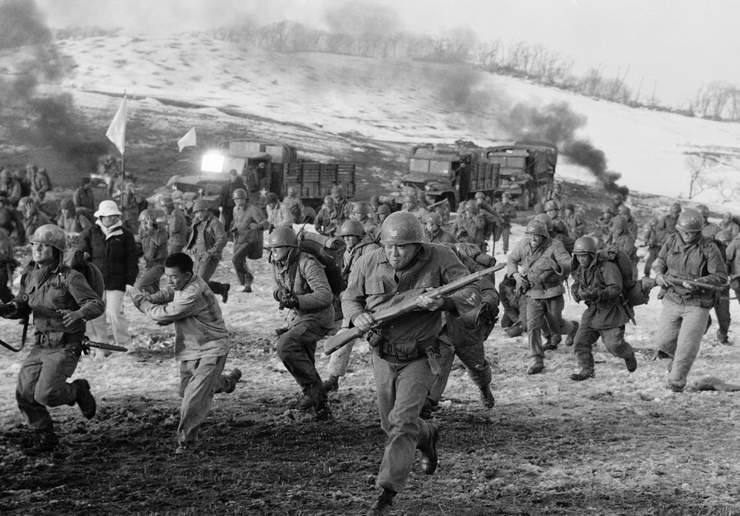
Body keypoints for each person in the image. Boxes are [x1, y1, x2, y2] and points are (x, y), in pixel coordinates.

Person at [342, 212, 480, 514]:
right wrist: (356, 315)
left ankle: (386, 494)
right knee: (389, 424)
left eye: (402, 247)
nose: (394, 253)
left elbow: (472, 293)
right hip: (382, 354)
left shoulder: (441, 256)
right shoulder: (367, 260)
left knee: (402, 423)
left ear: (418, 245)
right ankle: (427, 434)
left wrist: (444, 302)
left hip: (420, 356)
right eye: (389, 246)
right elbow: (349, 297)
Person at [5, 224, 104, 453]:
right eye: (35, 244)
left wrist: (78, 313)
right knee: (24, 393)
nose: (37, 249)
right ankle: (44, 435)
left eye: (44, 245)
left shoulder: (70, 277)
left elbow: (96, 304)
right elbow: (23, 303)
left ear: (56, 250)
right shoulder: (30, 276)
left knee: (46, 394)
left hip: (65, 345)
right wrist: (9, 308)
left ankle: (77, 390)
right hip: (40, 344)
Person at [130, 252, 242, 454]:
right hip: (191, 348)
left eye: (174, 277)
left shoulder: (194, 292)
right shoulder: (183, 283)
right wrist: (151, 298)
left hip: (212, 347)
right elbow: (168, 293)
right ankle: (226, 382)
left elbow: (164, 314)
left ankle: (187, 443)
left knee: (192, 398)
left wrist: (142, 302)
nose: (170, 281)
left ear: (188, 274)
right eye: (167, 276)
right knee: (187, 391)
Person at [652, 208, 727, 392]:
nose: (686, 235)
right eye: (684, 231)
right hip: (673, 297)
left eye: (691, 232)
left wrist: (699, 283)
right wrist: (659, 274)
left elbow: (720, 277)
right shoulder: (671, 240)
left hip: (698, 303)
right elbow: (660, 260)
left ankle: (676, 381)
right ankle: (679, 358)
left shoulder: (709, 248)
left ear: (699, 231)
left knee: (687, 346)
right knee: (663, 341)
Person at [267, 226, 334, 420]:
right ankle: (321, 409)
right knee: (305, 359)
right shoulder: (277, 263)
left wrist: (297, 300)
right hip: (299, 317)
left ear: (289, 247)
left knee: (285, 345)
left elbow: (325, 296)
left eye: (277, 248)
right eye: (272, 249)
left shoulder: (307, 263)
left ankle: (312, 392)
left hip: (318, 318)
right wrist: (280, 295)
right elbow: (276, 287)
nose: (273, 252)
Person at [426, 243, 499, 413]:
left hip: (467, 330)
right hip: (442, 328)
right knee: (439, 367)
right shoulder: (432, 270)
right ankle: (428, 403)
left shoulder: (472, 272)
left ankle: (484, 389)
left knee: (477, 366)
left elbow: (490, 292)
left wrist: (485, 304)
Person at [506, 219, 578, 374]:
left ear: (544, 236)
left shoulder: (555, 246)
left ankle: (573, 328)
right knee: (533, 326)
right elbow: (511, 259)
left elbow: (568, 263)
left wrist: (558, 266)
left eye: (537, 235)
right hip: (533, 293)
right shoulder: (523, 244)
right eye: (530, 235)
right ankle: (536, 359)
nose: (533, 238)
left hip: (552, 293)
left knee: (556, 326)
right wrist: (516, 275)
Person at [569, 236, 637, 381]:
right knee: (580, 342)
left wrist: (596, 293)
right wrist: (578, 293)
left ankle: (628, 354)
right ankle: (587, 370)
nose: (580, 259)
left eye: (584, 256)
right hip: (593, 311)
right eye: (578, 256)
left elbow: (615, 289)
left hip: (611, 311)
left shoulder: (607, 267)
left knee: (614, 346)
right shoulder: (581, 269)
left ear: (591, 255)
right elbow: (576, 285)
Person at [323, 220, 380, 393]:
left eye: (351, 236)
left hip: (372, 300)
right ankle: (333, 378)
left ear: (359, 236)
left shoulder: (371, 249)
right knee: (343, 338)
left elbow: (375, 276)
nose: (347, 239)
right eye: (345, 236)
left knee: (378, 341)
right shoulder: (346, 251)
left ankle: (384, 381)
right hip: (353, 300)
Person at [77, 200, 139, 351]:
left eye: (114, 215)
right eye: (109, 216)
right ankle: (101, 345)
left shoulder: (125, 235)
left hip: (117, 281)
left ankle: (124, 343)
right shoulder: (89, 233)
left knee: (115, 313)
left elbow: (131, 260)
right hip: (95, 282)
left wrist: (130, 281)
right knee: (96, 315)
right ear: (101, 217)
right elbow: (81, 258)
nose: (112, 218)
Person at [185, 200, 230, 303]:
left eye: (201, 211)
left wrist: (210, 252)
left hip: (210, 257)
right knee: (195, 281)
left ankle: (202, 305)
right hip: (198, 256)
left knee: (199, 282)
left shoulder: (215, 223)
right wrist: (192, 247)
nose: (199, 214)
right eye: (196, 212)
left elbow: (222, 239)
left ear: (206, 210)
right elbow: (196, 237)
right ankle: (221, 288)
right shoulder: (197, 222)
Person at [231, 188, 268, 293]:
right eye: (235, 199)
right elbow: (236, 222)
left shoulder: (253, 209)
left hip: (250, 240)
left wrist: (257, 226)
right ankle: (246, 285)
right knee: (239, 261)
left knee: (235, 259)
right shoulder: (235, 209)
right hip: (239, 239)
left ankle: (248, 278)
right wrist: (234, 228)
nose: (237, 201)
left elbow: (266, 223)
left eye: (239, 199)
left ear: (244, 199)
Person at [135, 210, 168, 294]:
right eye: (142, 223)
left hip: (158, 265)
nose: (143, 225)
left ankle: (157, 297)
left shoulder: (160, 231)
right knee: (154, 288)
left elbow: (159, 241)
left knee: (140, 285)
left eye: (146, 222)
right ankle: (158, 299)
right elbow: (139, 240)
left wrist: (151, 229)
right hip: (148, 264)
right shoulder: (144, 232)